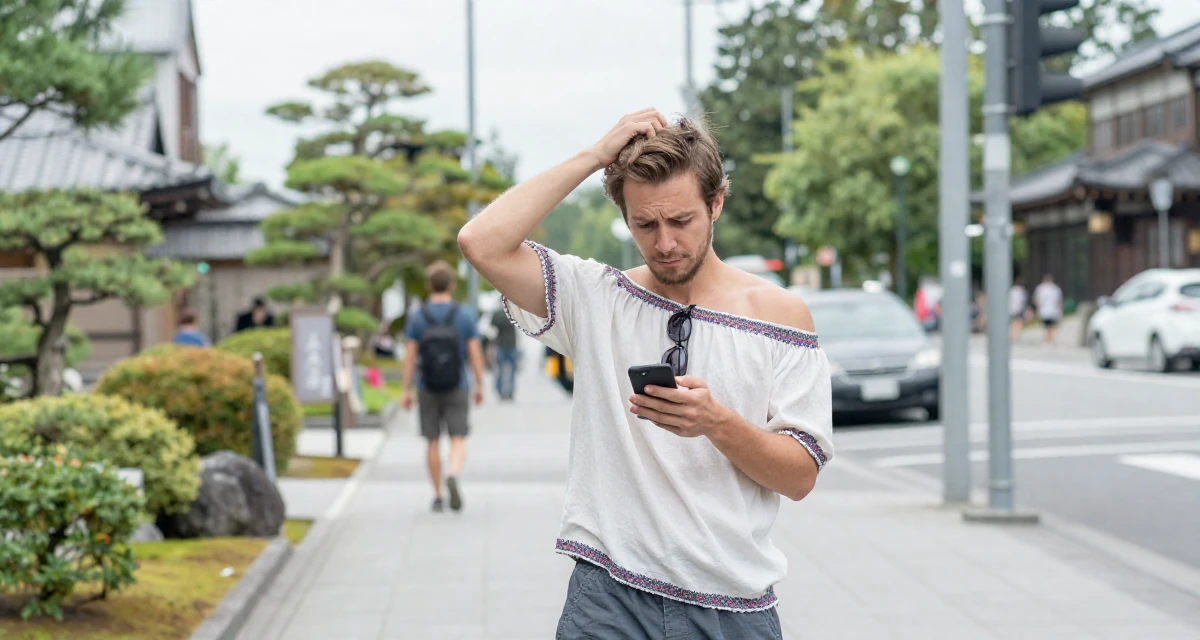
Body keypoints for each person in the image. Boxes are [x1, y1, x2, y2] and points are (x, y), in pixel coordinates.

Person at [458, 109, 832, 638]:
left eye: (681, 221)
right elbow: (482, 242)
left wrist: (717, 423)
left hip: (733, 606)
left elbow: (799, 477)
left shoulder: (780, 316)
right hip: (609, 596)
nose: (665, 244)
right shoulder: (596, 297)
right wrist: (594, 156)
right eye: (645, 224)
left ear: (717, 201)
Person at [400, 261, 486, 513]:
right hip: (457, 383)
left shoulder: (417, 317)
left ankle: (438, 495)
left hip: (427, 386)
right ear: (452, 284)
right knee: (458, 437)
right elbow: (475, 353)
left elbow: (409, 357)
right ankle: (454, 472)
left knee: (432, 440)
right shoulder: (464, 315)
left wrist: (406, 389)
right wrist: (480, 384)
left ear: (429, 285)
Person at [490, 308, 520, 400]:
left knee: (499, 369)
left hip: (501, 343)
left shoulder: (497, 314)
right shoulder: (514, 312)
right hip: (512, 344)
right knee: (513, 370)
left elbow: (492, 327)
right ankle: (510, 391)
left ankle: (499, 390)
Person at [1034, 273, 1064, 346]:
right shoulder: (1055, 288)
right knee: (1051, 327)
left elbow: (1037, 300)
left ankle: (1047, 340)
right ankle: (1050, 340)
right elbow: (1060, 301)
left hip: (1044, 310)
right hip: (1053, 311)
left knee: (1046, 327)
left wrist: (1038, 309)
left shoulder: (1040, 288)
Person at [1009, 277, 1029, 342]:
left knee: (1013, 322)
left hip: (1011, 309)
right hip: (1019, 309)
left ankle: (1012, 334)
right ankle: (1016, 335)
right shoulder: (1022, 291)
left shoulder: (1011, 290)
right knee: (1019, 322)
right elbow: (1024, 301)